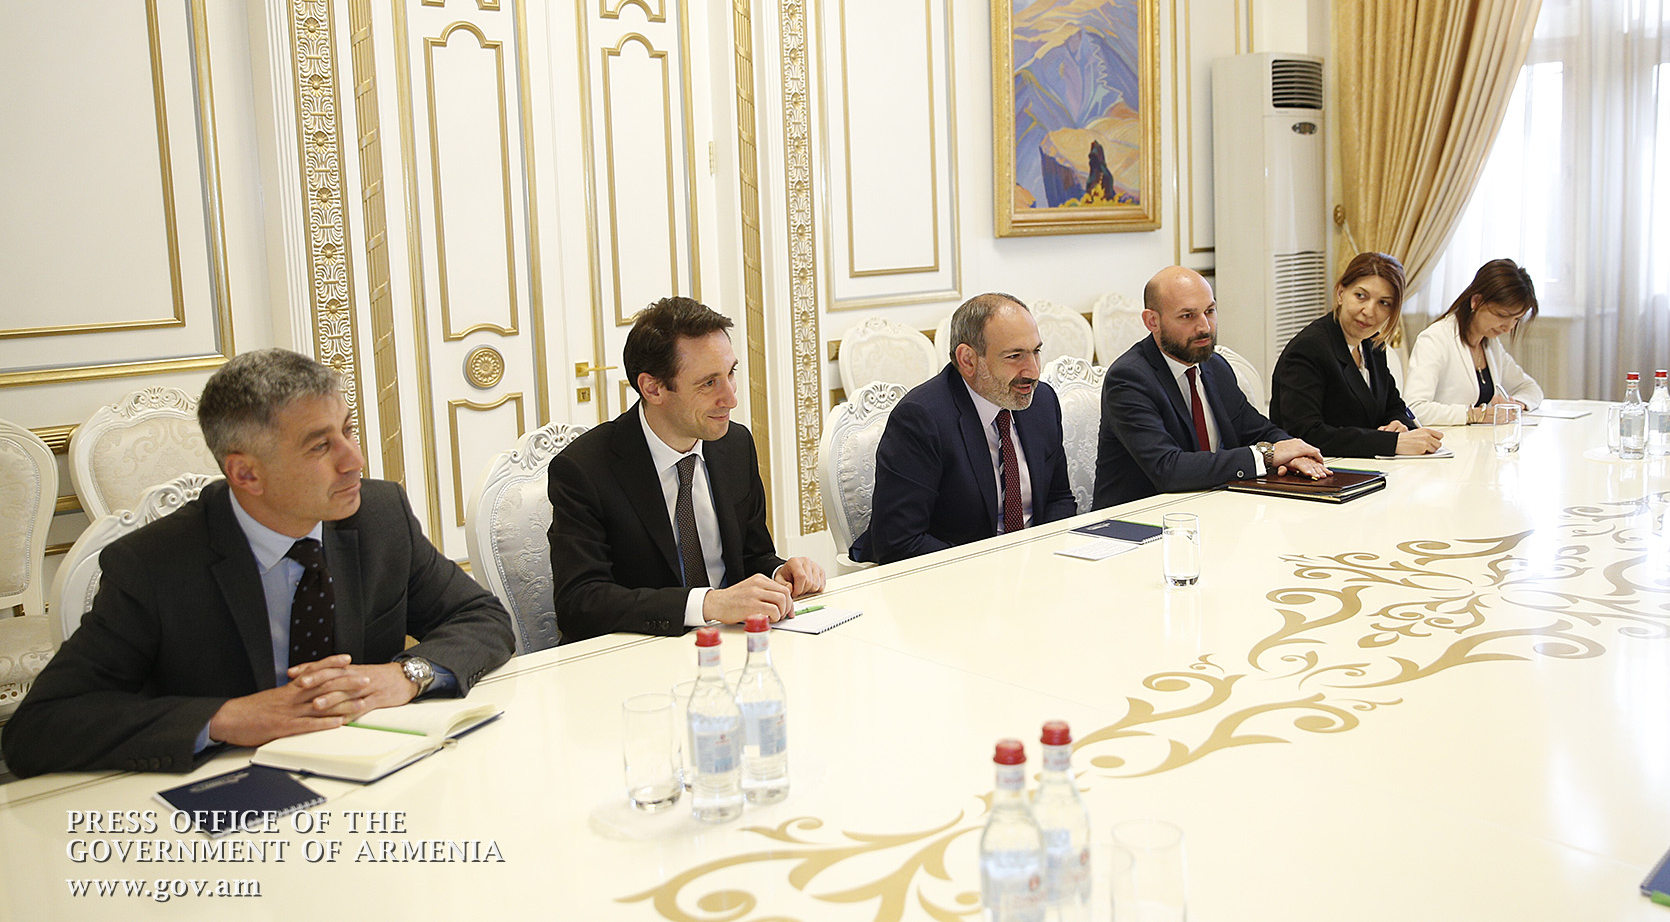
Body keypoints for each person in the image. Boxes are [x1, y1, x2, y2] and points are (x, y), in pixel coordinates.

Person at [2, 350, 513, 778]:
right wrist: (225, 718)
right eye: (321, 445)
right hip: (226, 798)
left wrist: (406, 675)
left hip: (375, 774)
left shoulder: (380, 517)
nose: (353, 460)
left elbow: (481, 617)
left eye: (348, 430)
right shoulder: (154, 564)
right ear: (246, 474)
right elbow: (39, 728)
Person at [548, 297, 824, 644]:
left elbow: (751, 555)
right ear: (653, 388)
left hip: (734, 643)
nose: (731, 398)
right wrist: (708, 604)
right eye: (709, 383)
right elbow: (580, 602)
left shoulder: (735, 445)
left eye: (730, 374)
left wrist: (778, 572)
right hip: (640, 654)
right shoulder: (584, 469)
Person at [859, 293, 1078, 565]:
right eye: (1014, 356)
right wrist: (995, 568)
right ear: (968, 360)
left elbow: (1059, 499)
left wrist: (1041, 558)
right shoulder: (921, 420)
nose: (1033, 372)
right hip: (957, 576)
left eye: (1036, 352)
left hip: (1037, 568)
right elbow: (899, 542)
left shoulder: (1041, 401)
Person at [1093, 266, 1330, 508]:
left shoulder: (1215, 366)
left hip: (1212, 506)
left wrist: (1295, 454)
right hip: (1140, 518)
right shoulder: (1129, 379)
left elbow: (1258, 430)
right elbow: (1168, 469)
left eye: (1210, 311)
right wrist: (1266, 456)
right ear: (1152, 321)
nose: (1205, 327)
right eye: (1188, 316)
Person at [1269, 252, 1445, 457]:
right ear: (1341, 293)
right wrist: (1390, 443)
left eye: (1383, 303)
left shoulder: (1372, 344)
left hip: (1366, 465)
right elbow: (1306, 434)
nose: (1369, 311)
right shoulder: (1309, 348)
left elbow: (1394, 405)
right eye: (1361, 296)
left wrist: (1398, 424)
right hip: (1321, 468)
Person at [1404, 258, 1544, 426]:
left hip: (1478, 439)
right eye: (1501, 315)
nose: (1508, 328)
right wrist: (1475, 415)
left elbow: (1530, 388)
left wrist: (1516, 405)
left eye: (1516, 319)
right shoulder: (1435, 339)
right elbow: (1415, 408)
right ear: (1476, 301)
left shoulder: (1490, 344)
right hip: (1445, 439)